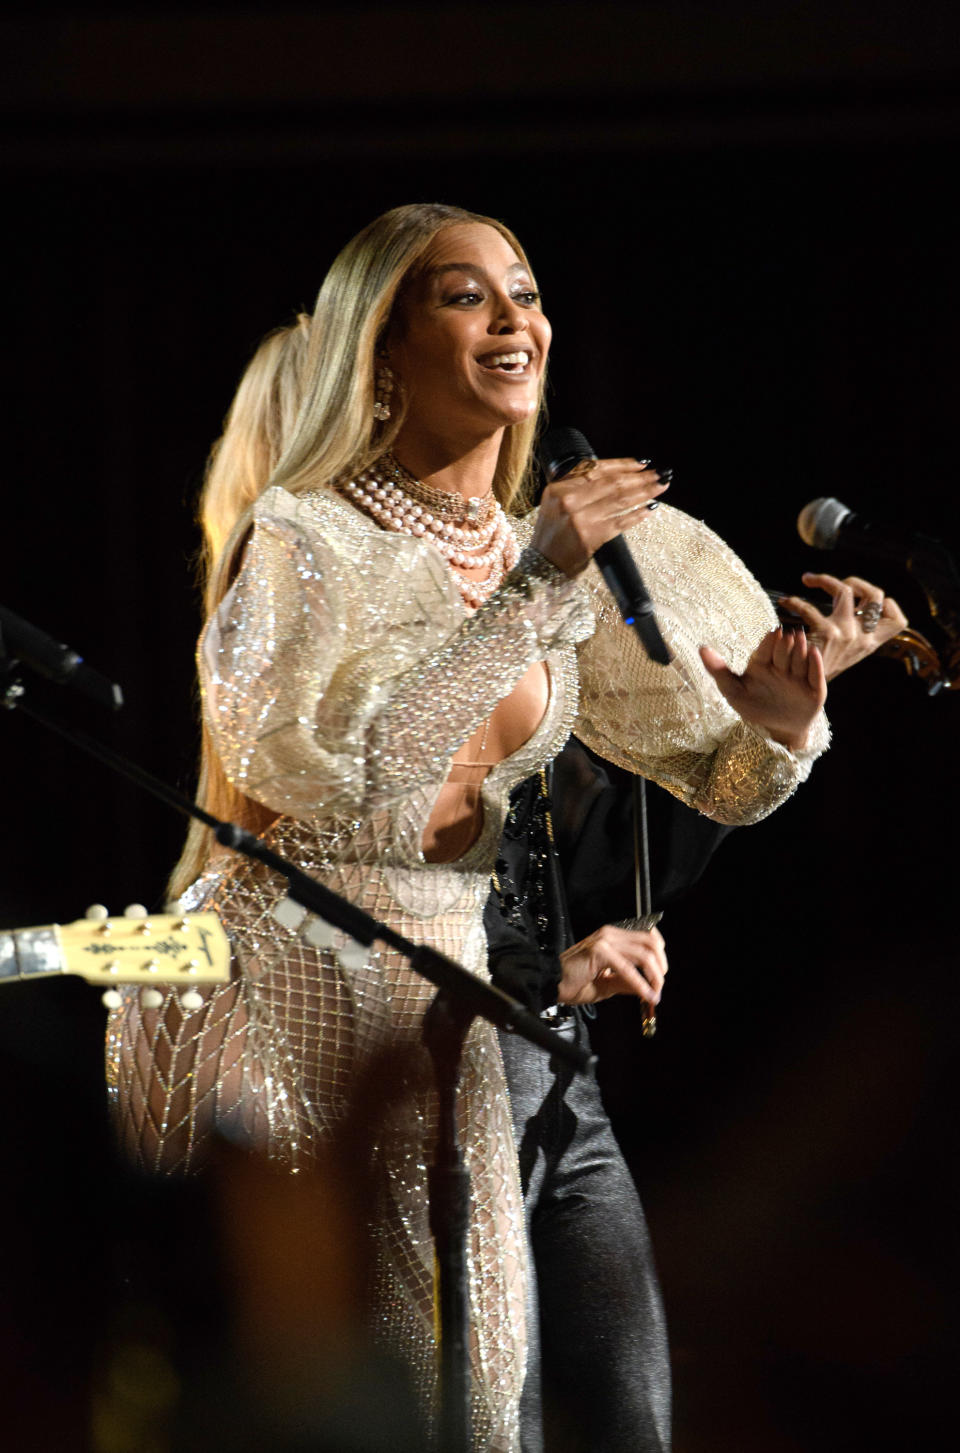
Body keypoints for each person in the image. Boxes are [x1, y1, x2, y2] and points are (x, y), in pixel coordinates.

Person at [107, 202, 839, 1452]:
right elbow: (346, 792)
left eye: (528, 291)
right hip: (313, 986)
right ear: (381, 349)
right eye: (467, 295)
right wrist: (533, 587)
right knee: (381, 1392)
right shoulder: (303, 536)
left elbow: (703, 778)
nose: (517, 319)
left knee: (494, 1395)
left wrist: (773, 727)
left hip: (468, 1001)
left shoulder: (533, 547)